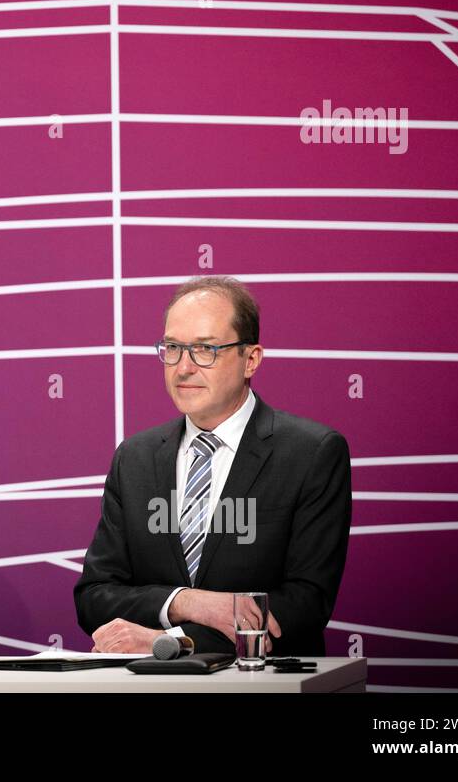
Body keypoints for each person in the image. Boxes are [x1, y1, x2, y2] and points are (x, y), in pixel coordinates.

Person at [74, 276, 351, 657]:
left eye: (205, 349)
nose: (183, 367)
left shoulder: (312, 453)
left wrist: (171, 642)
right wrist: (186, 602)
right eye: (172, 347)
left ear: (250, 359)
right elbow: (95, 597)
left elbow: (304, 604)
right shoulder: (134, 458)